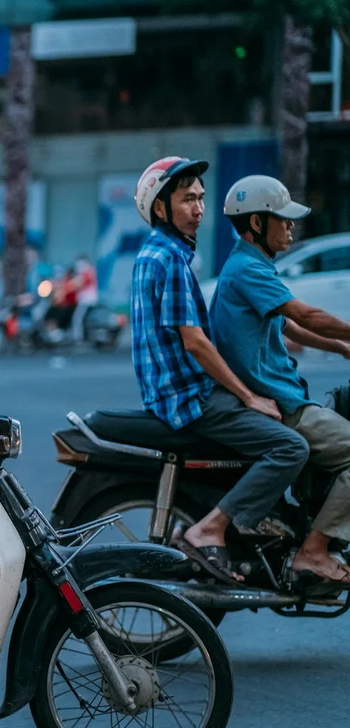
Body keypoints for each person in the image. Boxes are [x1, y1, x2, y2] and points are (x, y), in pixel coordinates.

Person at [130, 156, 308, 583]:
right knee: (292, 447)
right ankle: (212, 527)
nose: (198, 209)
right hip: (190, 397)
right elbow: (195, 342)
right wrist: (248, 397)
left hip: (175, 390)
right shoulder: (171, 258)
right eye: (187, 199)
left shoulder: (158, 252)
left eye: (201, 198)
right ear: (160, 209)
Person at [210, 175, 350, 584]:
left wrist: (340, 348)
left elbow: (287, 326)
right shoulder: (247, 270)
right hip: (278, 401)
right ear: (256, 223)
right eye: (282, 220)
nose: (291, 227)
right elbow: (305, 314)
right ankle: (315, 551)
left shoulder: (250, 266)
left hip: (282, 392)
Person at [70, 256, 100, 343]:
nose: (78, 267)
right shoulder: (89, 271)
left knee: (77, 318)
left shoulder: (87, 272)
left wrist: (62, 287)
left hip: (86, 301)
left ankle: (78, 338)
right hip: (88, 300)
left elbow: (75, 284)